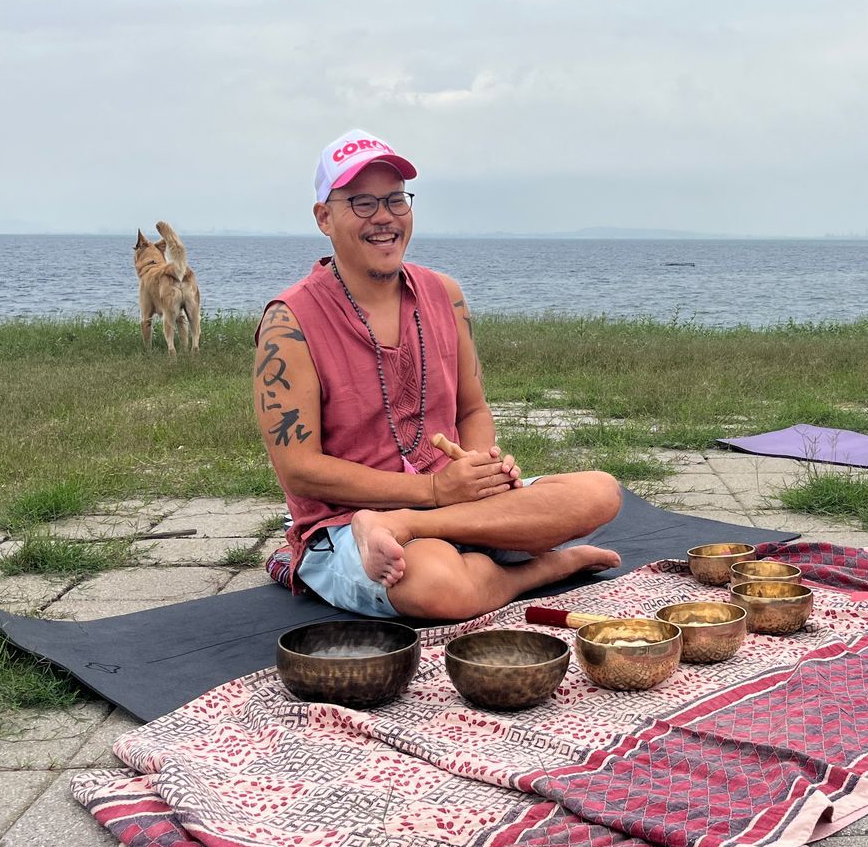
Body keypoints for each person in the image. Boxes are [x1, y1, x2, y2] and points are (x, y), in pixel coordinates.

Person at [255, 131, 623, 622]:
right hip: (349, 520)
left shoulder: (444, 293)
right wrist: (432, 492)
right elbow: (298, 468)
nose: (384, 217)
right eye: (361, 203)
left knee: (600, 491)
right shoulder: (290, 321)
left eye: (394, 200)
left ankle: (429, 533)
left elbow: (472, 408)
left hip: (448, 507)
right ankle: (540, 570)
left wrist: (480, 471)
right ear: (324, 217)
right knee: (438, 586)